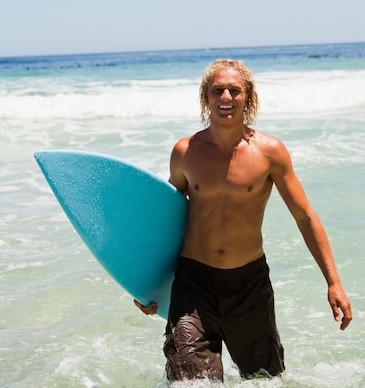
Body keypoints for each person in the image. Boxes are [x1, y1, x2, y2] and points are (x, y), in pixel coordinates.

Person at [134, 58, 352, 382]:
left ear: (248, 97)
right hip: (194, 284)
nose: (225, 98)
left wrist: (333, 282)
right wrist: (145, 285)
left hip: (249, 285)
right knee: (191, 382)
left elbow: (305, 216)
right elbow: (166, 223)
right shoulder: (185, 152)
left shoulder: (270, 152)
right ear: (205, 97)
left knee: (265, 379)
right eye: (217, 90)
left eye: (234, 91)